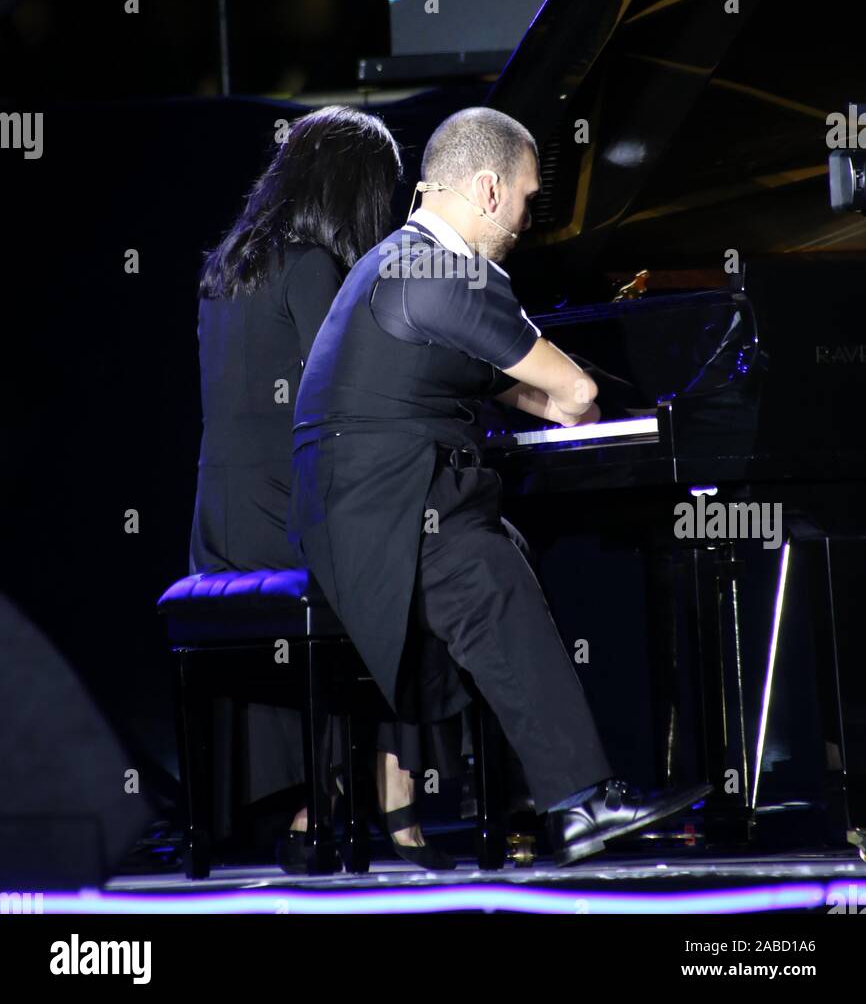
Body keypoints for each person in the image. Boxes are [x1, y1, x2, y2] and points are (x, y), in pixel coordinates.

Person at [290, 106, 711, 866]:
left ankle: (537, 792)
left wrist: (555, 399)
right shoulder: (447, 269)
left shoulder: (400, 259)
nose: (525, 219)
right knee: (485, 569)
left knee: (503, 548)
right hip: (387, 516)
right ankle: (580, 804)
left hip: (363, 507)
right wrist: (581, 405)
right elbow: (576, 393)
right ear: (487, 189)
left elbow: (509, 386)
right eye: (524, 198)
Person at [189, 105, 462, 869]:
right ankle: (396, 803)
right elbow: (350, 393)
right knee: (418, 574)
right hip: (285, 513)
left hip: (219, 524)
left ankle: (319, 805)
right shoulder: (312, 266)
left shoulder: (226, 267)